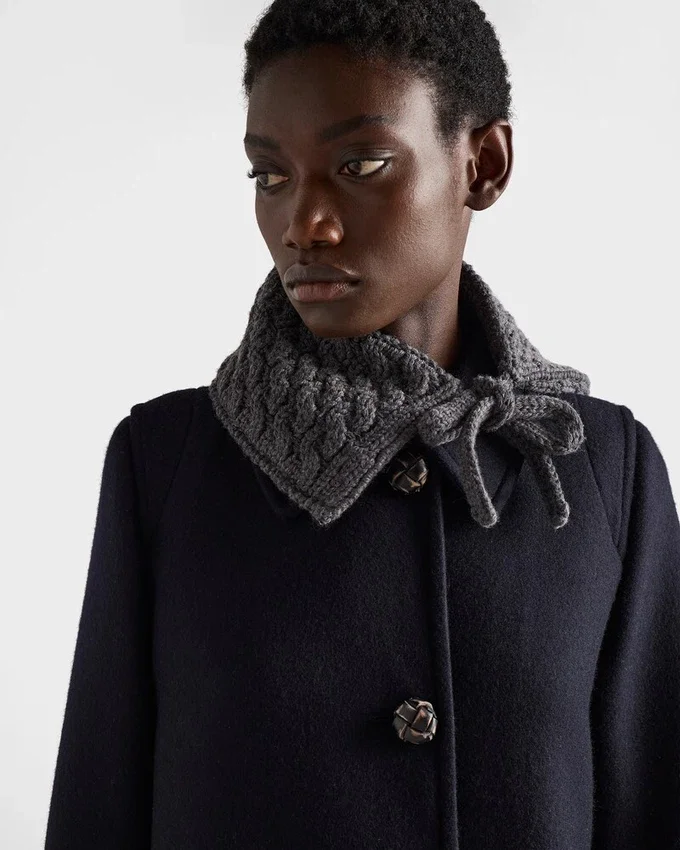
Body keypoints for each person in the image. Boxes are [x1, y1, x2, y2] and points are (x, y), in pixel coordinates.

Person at [44, 0, 680, 847]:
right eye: (270, 176)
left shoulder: (599, 469)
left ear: (484, 164)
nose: (302, 224)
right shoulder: (165, 466)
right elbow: (95, 815)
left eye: (362, 164)